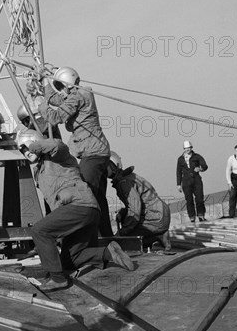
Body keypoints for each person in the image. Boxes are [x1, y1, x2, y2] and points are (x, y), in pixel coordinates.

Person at [18, 129, 134, 292]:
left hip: (79, 205)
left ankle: (58, 280)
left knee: (39, 231)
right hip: (85, 212)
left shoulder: (57, 157)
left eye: (26, 147)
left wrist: (35, 146)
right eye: (21, 150)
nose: (25, 152)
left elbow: (58, 145)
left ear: (36, 143)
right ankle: (108, 253)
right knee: (69, 260)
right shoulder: (39, 171)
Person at [31, 67, 114, 237]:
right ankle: (106, 236)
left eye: (62, 86)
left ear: (68, 84)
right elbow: (56, 99)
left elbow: (55, 117)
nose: (61, 91)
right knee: (97, 198)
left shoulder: (78, 96)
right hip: (96, 151)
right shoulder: (80, 95)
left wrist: (40, 104)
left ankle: (91, 238)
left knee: (86, 196)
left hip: (93, 153)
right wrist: (44, 83)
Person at [107, 151, 171, 251]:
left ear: (112, 166)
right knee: (127, 222)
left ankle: (158, 235)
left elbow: (134, 210)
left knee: (125, 241)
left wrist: (122, 232)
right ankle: (158, 234)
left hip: (155, 218)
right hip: (159, 214)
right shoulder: (128, 177)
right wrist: (123, 213)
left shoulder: (124, 182)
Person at [176, 140, 208, 222]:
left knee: (199, 198)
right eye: (186, 148)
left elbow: (205, 165)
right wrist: (178, 184)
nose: (187, 150)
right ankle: (192, 217)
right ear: (184, 149)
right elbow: (178, 172)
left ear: (191, 148)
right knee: (189, 200)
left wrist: (200, 169)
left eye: (189, 148)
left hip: (196, 180)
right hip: (186, 182)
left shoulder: (197, 156)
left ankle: (201, 215)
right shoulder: (180, 159)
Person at [226, 144, 237, 218]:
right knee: (232, 196)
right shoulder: (231, 158)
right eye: (236, 151)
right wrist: (229, 182)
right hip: (234, 178)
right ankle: (231, 214)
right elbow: (228, 170)